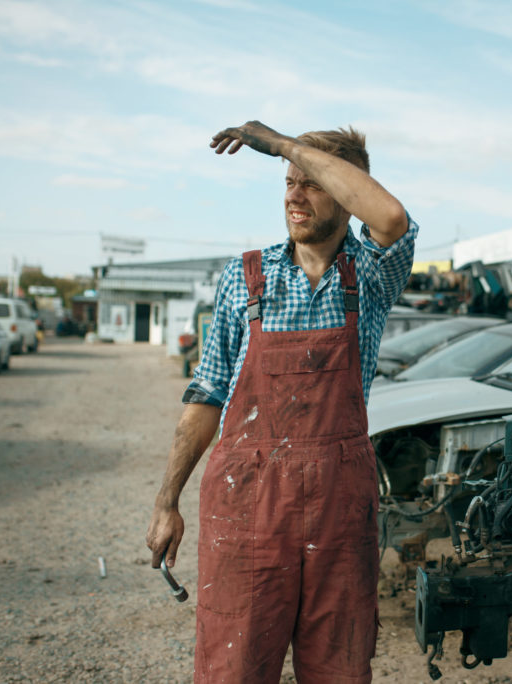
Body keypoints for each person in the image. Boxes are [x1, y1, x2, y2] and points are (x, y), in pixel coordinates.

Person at [145, 120, 417, 683]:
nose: (294, 193)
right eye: (289, 180)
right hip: (248, 502)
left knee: (338, 665)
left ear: (345, 193)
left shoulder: (369, 273)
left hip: (339, 505)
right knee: (235, 663)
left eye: (312, 181)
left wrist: (285, 146)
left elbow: (390, 219)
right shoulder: (245, 277)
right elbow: (208, 392)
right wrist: (167, 499)